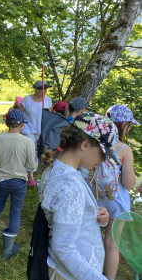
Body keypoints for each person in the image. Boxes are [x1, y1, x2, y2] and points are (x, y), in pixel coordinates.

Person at [40, 112, 119, 280]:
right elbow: (64, 248)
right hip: (70, 275)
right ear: (84, 145)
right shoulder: (70, 184)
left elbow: (63, 210)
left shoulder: (56, 169)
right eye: (103, 153)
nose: (104, 160)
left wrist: (91, 213)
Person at [0, 109, 36, 259]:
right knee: (15, 213)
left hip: (2, 180)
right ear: (21, 124)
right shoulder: (27, 141)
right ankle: (8, 250)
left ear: (6, 123)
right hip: (19, 182)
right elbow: (31, 164)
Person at [97, 105, 139, 280]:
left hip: (95, 199)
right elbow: (128, 184)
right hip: (116, 202)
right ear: (124, 126)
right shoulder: (124, 149)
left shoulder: (95, 143)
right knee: (112, 244)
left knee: (93, 239)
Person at [18, 80, 53, 184]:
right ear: (36, 89)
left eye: (46, 88)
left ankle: (29, 169)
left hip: (41, 129)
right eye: (42, 89)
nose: (45, 91)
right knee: (31, 151)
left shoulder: (47, 100)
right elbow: (19, 113)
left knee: (38, 151)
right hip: (27, 129)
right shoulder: (27, 100)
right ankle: (31, 176)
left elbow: (49, 114)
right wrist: (17, 127)